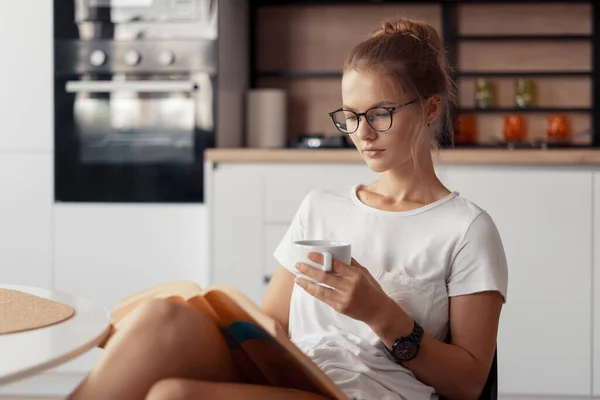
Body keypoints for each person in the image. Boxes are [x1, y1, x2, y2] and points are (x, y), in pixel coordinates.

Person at [67, 17, 507, 400]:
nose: (362, 133)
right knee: (164, 317)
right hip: (295, 376)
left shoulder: (465, 228)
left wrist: (381, 314)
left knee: (172, 395)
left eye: (380, 113)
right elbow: (271, 328)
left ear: (430, 109)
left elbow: (468, 384)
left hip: (365, 392)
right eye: (350, 116)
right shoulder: (321, 208)